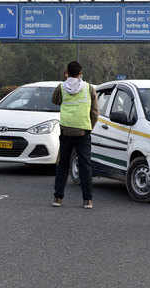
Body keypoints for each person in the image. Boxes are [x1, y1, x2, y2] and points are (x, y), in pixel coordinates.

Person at [52, 61, 98, 209]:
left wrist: (64, 80)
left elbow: (55, 100)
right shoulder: (89, 88)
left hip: (66, 130)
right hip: (83, 131)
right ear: (80, 73)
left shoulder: (61, 87)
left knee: (63, 164)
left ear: (67, 72)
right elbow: (95, 112)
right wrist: (89, 126)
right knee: (85, 166)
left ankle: (58, 198)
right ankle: (87, 200)